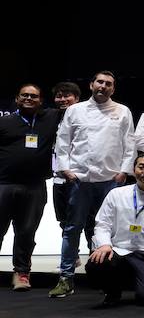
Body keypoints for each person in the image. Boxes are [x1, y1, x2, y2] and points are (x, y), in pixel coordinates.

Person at [51, 71, 135, 298]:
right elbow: (63, 141)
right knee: (72, 229)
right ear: (91, 85)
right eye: (100, 82)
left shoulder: (122, 111)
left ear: (113, 89)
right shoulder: (74, 110)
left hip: (110, 181)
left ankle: (104, 279)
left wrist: (123, 172)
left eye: (109, 84)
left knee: (109, 231)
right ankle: (66, 278)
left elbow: (129, 143)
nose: (103, 86)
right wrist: (66, 169)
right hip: (80, 179)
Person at [85, 152, 144, 305]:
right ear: (134, 170)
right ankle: (113, 291)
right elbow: (103, 224)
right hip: (118, 250)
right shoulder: (116, 194)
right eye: (141, 167)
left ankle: (143, 284)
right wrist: (104, 244)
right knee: (96, 263)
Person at [0, 84, 62, 290]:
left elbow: (73, 107)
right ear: (17, 99)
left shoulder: (50, 118)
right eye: (24, 95)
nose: (29, 98)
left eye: (33, 96)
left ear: (41, 101)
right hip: (4, 184)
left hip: (35, 186)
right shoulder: (4, 122)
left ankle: (21, 273)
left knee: (26, 232)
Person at [50, 81, 81, 233]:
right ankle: (72, 256)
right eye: (59, 96)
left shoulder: (84, 118)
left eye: (67, 96)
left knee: (88, 219)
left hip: (80, 177)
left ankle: (94, 255)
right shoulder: (51, 118)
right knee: (64, 221)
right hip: (58, 178)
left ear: (77, 98)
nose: (62, 99)